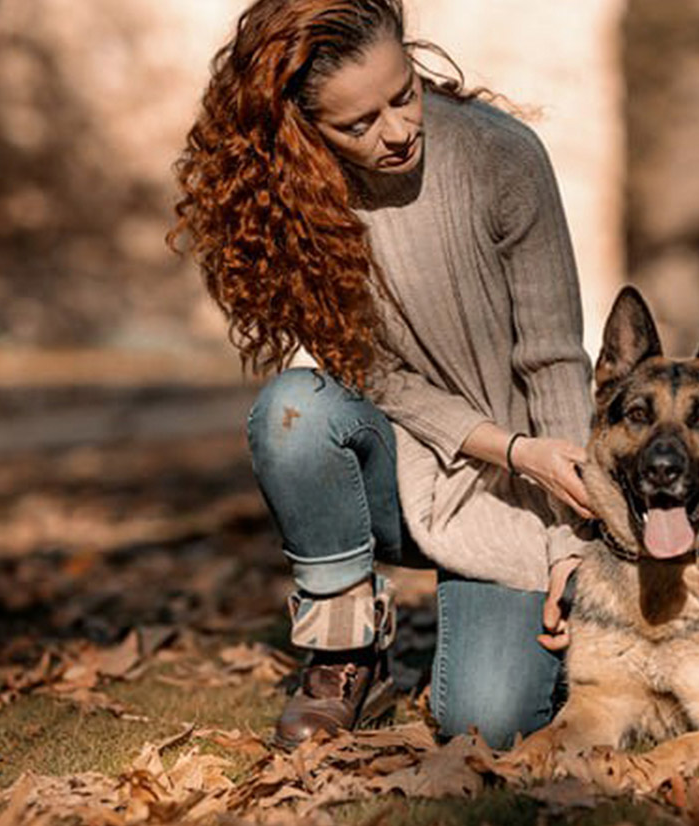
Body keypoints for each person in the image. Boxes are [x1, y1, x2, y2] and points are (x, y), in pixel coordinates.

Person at [170, 0, 593, 750]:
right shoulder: (292, 207)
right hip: (404, 474)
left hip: (522, 498)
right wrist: (504, 444)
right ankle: (344, 651)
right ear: (305, 131)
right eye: (358, 126)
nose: (397, 132)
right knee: (293, 412)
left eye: (404, 95)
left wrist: (573, 549)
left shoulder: (504, 159)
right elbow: (373, 376)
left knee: (486, 724)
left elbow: (553, 357)